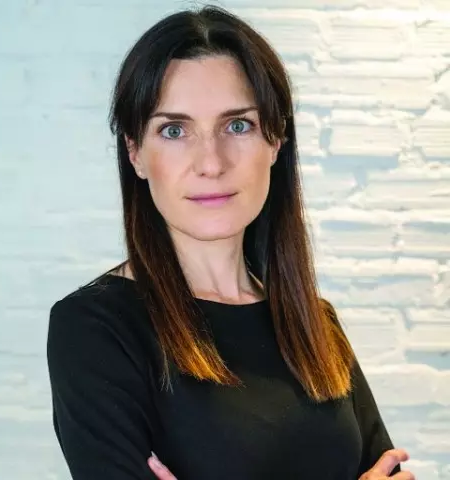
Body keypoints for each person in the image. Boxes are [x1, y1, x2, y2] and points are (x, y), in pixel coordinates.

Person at [46, 4, 415, 480]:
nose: (211, 163)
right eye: (174, 130)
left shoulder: (314, 322)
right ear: (135, 152)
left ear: (276, 140)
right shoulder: (95, 328)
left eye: (237, 125)